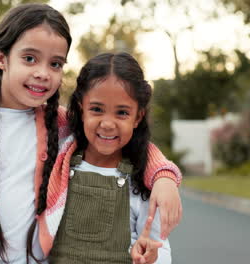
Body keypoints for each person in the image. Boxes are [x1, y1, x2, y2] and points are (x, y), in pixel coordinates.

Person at [0, 3, 181, 264]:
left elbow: (122, 140)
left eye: (55, 64)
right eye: (29, 58)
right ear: (1, 57)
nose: (42, 73)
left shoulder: (59, 122)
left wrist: (164, 177)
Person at [36, 52, 175, 264]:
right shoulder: (59, 161)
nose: (108, 124)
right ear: (82, 109)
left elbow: (158, 246)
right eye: (97, 109)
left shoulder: (142, 180)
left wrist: (150, 257)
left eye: (122, 113)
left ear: (138, 117)